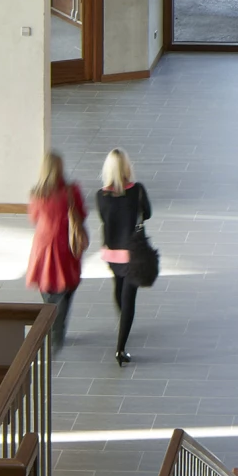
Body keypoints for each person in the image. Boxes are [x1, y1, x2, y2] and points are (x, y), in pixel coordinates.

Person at [25, 150, 87, 350]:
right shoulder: (71, 191)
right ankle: (58, 329)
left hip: (43, 245)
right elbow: (82, 214)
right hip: (64, 244)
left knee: (46, 282)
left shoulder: (37, 194)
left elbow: (34, 218)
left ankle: (50, 316)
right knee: (67, 284)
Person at [98, 149, 152, 364]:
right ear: (127, 167)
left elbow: (104, 217)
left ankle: (123, 320)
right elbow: (148, 213)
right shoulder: (137, 191)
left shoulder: (101, 196)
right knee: (129, 298)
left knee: (118, 287)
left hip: (112, 254)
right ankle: (120, 349)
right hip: (133, 253)